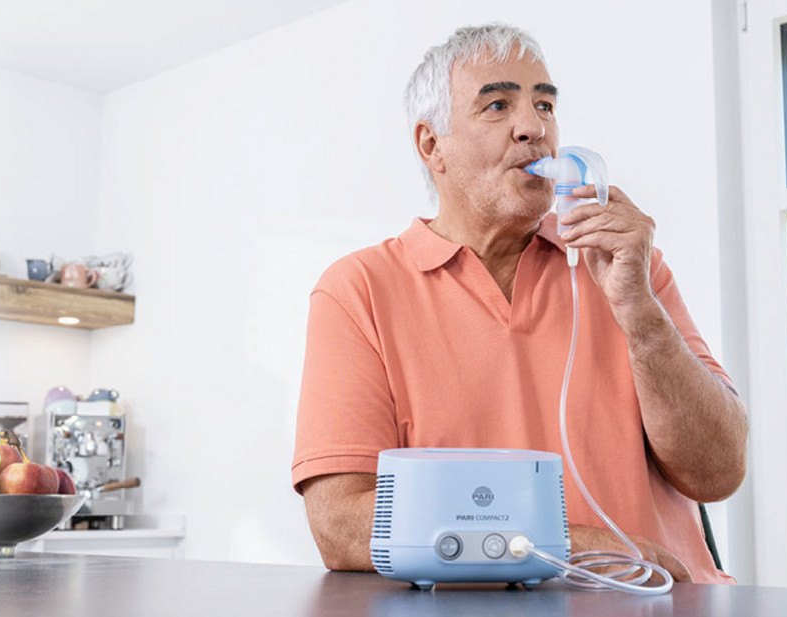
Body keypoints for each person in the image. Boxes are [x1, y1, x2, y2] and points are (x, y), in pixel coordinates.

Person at [290, 23, 748, 585]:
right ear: (432, 145)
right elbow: (340, 524)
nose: (535, 128)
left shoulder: (629, 267)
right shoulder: (358, 290)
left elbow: (719, 473)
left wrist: (640, 314)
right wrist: (566, 548)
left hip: (666, 603)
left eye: (545, 105)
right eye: (498, 105)